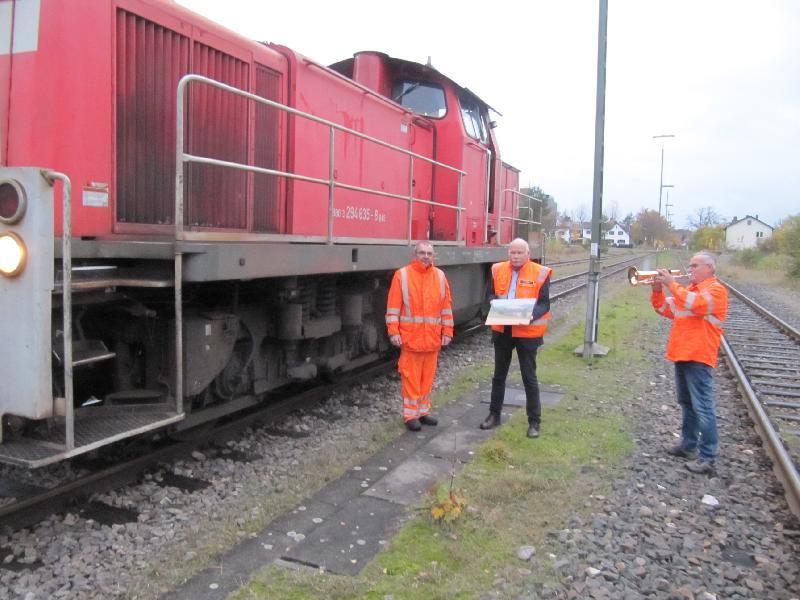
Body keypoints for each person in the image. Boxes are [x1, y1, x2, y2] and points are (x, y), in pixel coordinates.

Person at [650, 251, 729, 474]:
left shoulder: (716, 291)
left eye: (695, 265)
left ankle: (708, 457)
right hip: (682, 353)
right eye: (690, 265)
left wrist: (672, 283)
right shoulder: (689, 291)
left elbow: (698, 305)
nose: (690, 269)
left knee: (703, 406)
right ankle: (688, 445)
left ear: (710, 268)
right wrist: (657, 290)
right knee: (687, 403)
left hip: (699, 355)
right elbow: (664, 309)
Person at [480, 238, 552, 438]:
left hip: (527, 332)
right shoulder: (497, 270)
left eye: (520, 253)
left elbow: (545, 304)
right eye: (513, 252)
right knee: (498, 375)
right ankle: (494, 415)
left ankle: (534, 422)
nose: (516, 256)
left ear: (528, 254)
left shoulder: (540, 272)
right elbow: (491, 295)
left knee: (529, 377)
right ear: (508, 253)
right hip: (503, 330)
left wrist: (532, 315)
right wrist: (494, 304)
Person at [385, 242, 454, 431]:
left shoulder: (440, 277)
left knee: (427, 378)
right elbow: (393, 307)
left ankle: (423, 412)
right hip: (411, 339)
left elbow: (445, 307)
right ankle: (410, 415)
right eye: (422, 253)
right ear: (414, 255)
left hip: (431, 340)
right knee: (411, 378)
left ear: (434, 256)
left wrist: (447, 332)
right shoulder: (403, 275)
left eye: (429, 253)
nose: (426, 256)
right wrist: (393, 331)